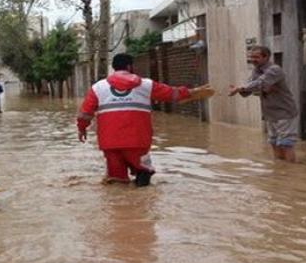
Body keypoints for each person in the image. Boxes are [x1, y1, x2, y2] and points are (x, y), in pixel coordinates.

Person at [77, 53, 210, 187]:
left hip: (110, 144)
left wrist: (81, 129)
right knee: (144, 173)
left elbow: (84, 114)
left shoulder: (98, 88)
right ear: (130, 66)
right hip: (138, 141)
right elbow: (171, 93)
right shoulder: (146, 85)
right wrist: (192, 92)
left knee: (116, 181)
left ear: (113, 67)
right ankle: (142, 203)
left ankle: (118, 205)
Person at [229, 45, 299, 162]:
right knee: (274, 141)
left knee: (286, 143)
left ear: (266, 57)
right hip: (270, 113)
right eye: (251, 57)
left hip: (284, 112)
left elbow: (260, 83)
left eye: (256, 57)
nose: (253, 60)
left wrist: (240, 88)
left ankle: (291, 171)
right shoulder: (256, 71)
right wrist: (240, 90)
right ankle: (281, 171)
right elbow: (249, 89)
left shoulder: (274, 70)